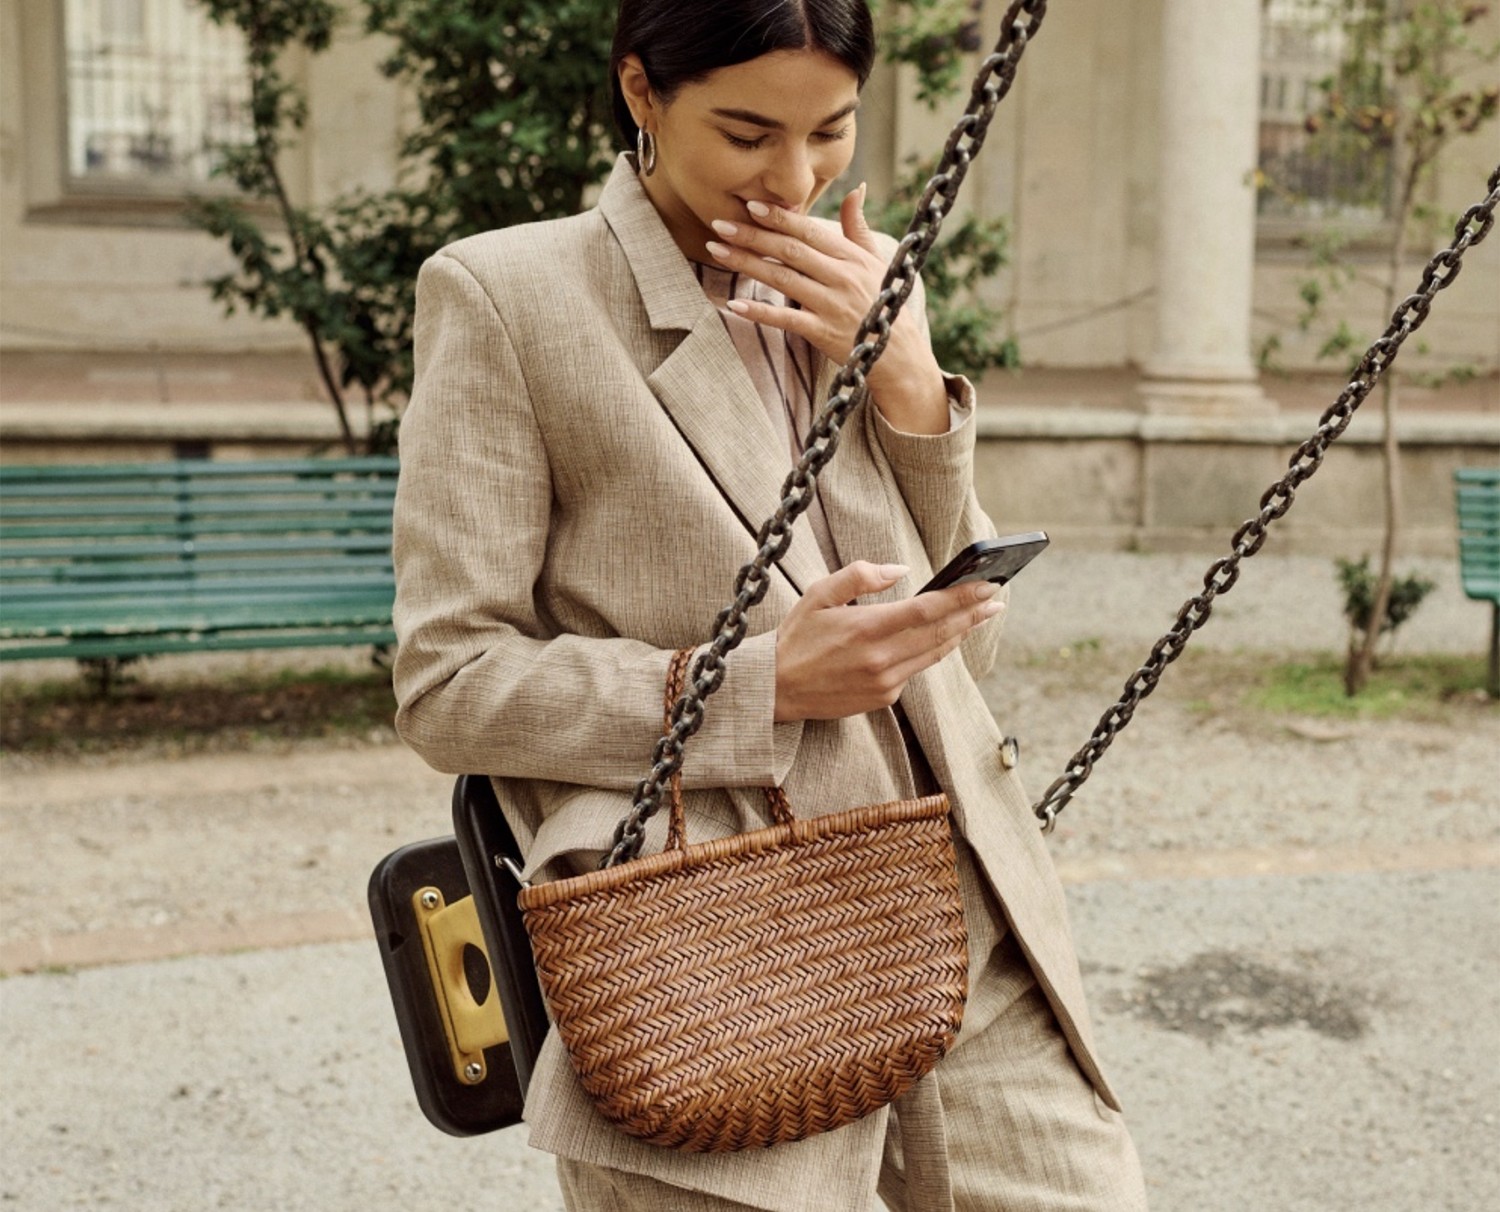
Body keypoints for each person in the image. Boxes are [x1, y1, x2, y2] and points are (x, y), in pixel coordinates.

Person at [391, 1, 1148, 1208]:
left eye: (831, 131)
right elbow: (449, 683)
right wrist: (760, 687)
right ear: (642, 90)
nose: (794, 179)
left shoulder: (858, 283)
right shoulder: (511, 297)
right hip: (703, 948)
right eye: (747, 134)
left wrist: (909, 383)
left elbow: (967, 652)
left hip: (961, 913)